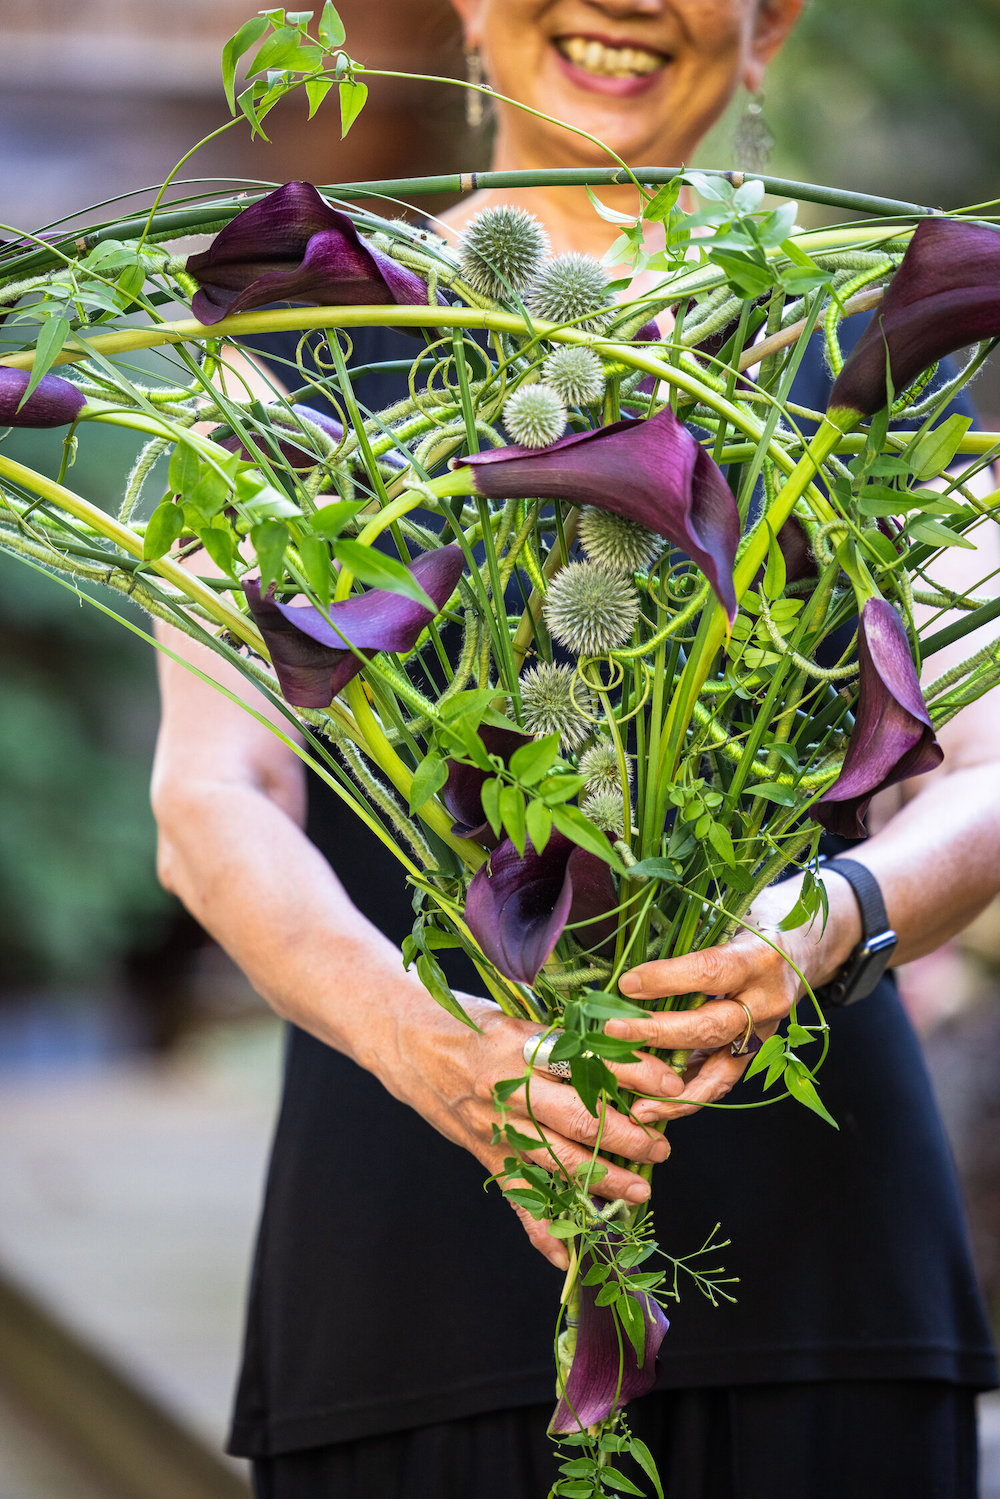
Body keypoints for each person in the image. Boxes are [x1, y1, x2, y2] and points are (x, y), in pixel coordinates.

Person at [151, 2, 1000, 1495]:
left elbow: (990, 772)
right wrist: (433, 1050)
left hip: (819, 1266)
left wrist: (829, 923)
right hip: (410, 1257)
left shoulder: (873, 332)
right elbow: (215, 795)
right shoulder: (293, 338)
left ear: (771, 20)